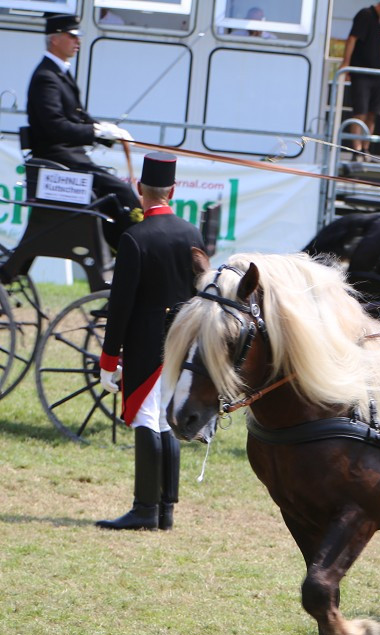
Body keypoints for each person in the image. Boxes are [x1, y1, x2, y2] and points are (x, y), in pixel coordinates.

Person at [96, 152, 207, 531]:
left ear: (140, 190)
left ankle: (145, 508)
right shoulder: (192, 234)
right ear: (172, 191)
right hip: (181, 341)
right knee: (163, 421)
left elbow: (120, 306)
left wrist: (109, 359)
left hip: (146, 343)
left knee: (148, 418)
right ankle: (165, 510)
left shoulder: (134, 237)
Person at [26, 13, 139, 246]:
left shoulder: (59, 73)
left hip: (71, 158)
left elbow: (78, 116)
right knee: (122, 193)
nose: (78, 42)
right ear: (55, 39)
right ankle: (130, 253)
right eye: (72, 36)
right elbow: (55, 127)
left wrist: (108, 133)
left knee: (117, 196)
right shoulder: (46, 77)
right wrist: (95, 132)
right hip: (59, 160)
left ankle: (120, 250)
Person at [342, 0, 380, 154]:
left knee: (373, 113)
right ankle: (355, 150)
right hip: (361, 73)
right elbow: (352, 39)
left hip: (378, 75)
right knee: (360, 112)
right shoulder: (365, 14)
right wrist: (346, 63)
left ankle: (366, 148)